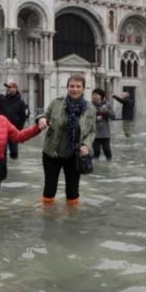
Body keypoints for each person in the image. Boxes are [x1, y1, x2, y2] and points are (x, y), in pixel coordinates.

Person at [36, 74, 96, 207]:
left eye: (78, 86)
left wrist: (86, 145)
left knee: (72, 191)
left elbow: (92, 131)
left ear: (83, 88)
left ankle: (72, 220)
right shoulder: (56, 103)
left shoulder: (90, 109)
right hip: (52, 153)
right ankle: (48, 216)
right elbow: (44, 116)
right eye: (72, 86)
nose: (75, 89)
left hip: (74, 155)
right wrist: (41, 119)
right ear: (67, 87)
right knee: (50, 188)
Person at [91, 88, 116, 161]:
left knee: (107, 151)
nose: (94, 96)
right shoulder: (89, 105)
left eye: (96, 95)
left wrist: (106, 112)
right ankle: (96, 168)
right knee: (96, 152)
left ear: (101, 96)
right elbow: (86, 119)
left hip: (105, 133)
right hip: (94, 133)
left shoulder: (107, 104)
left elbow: (113, 116)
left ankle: (109, 167)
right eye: (93, 95)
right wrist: (95, 119)